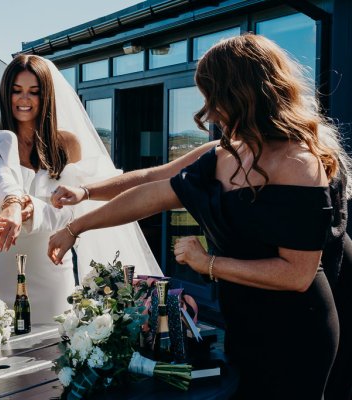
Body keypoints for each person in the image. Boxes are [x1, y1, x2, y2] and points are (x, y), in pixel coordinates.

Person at [48, 34, 340, 399]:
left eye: (212, 96)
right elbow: (152, 187)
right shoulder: (222, 154)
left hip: (296, 330)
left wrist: (209, 264)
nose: (209, 110)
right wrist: (77, 222)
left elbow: (297, 274)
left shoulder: (297, 162)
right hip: (241, 322)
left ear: (241, 92)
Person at [0, 54, 162, 324]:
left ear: (46, 96)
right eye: (17, 91)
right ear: (5, 94)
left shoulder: (67, 144)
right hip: (1, 263)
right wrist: (10, 205)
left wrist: (31, 210)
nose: (24, 100)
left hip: (51, 265)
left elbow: (73, 209)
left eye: (34, 92)